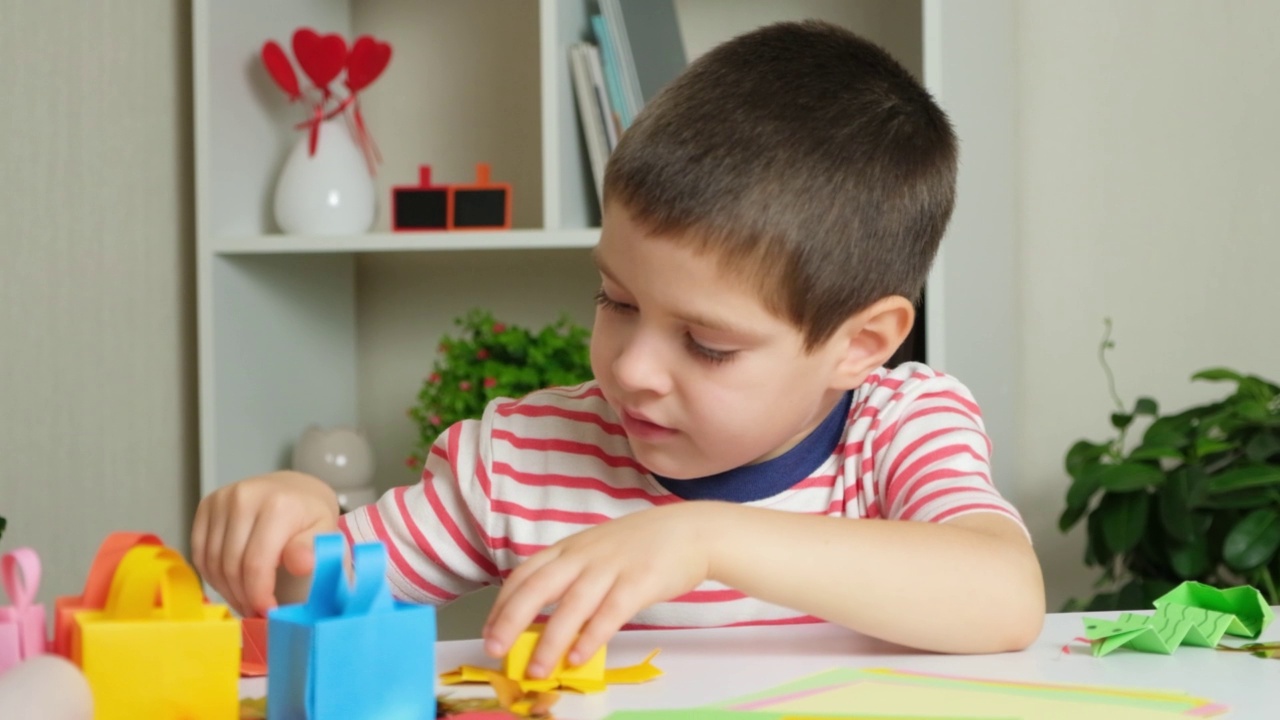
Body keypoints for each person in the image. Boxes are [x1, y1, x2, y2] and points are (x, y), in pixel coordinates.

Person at [193, 20, 1045, 680]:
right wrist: (291, 521)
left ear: (861, 344)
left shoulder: (899, 429)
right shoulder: (522, 461)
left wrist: (704, 540)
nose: (632, 368)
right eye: (616, 300)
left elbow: (1004, 599)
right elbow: (318, 589)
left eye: (708, 345)